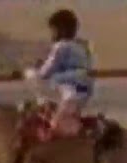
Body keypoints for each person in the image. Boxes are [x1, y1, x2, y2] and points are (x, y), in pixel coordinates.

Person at [24, 8, 94, 140]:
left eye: (53, 30)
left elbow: (45, 73)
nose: (52, 34)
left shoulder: (61, 47)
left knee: (31, 76)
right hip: (84, 92)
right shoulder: (82, 47)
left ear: (60, 29)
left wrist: (32, 71)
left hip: (69, 93)